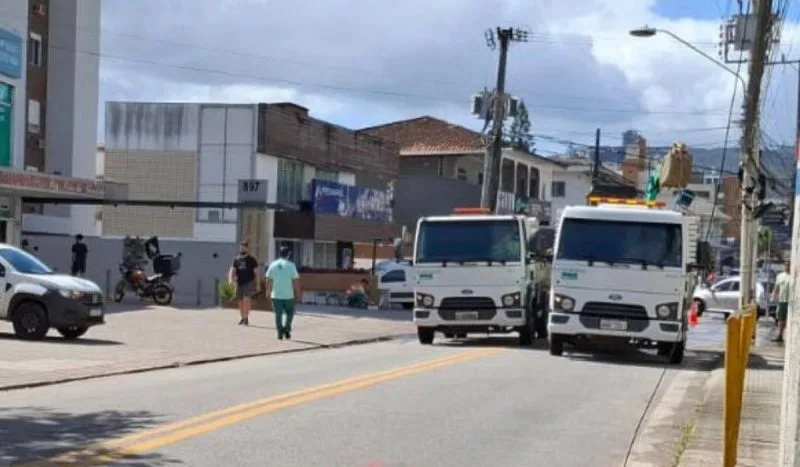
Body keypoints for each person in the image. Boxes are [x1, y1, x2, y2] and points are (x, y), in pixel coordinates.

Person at [265, 246, 301, 340]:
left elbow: (268, 279)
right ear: (288, 255)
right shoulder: (291, 265)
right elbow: (295, 280)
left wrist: (268, 291)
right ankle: (287, 328)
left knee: (278, 314)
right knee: (290, 312)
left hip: (276, 295)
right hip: (288, 295)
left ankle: (280, 332)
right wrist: (298, 293)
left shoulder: (273, 264)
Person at [228, 241, 259, 326]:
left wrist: (257, 284)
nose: (242, 249)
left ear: (247, 248)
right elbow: (232, 270)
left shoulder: (252, 260)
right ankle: (242, 317)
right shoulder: (236, 259)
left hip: (249, 282)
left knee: (247, 299)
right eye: (241, 247)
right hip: (239, 282)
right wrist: (230, 280)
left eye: (243, 247)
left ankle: (246, 317)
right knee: (240, 300)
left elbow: (256, 272)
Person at [772, 261, 791, 343]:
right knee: (781, 319)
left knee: (788, 319)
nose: (787, 266)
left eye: (789, 265)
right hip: (782, 300)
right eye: (786, 265)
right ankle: (780, 335)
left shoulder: (793, 276)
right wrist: (774, 295)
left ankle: (788, 336)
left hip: (790, 301)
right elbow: (776, 286)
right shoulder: (780, 276)